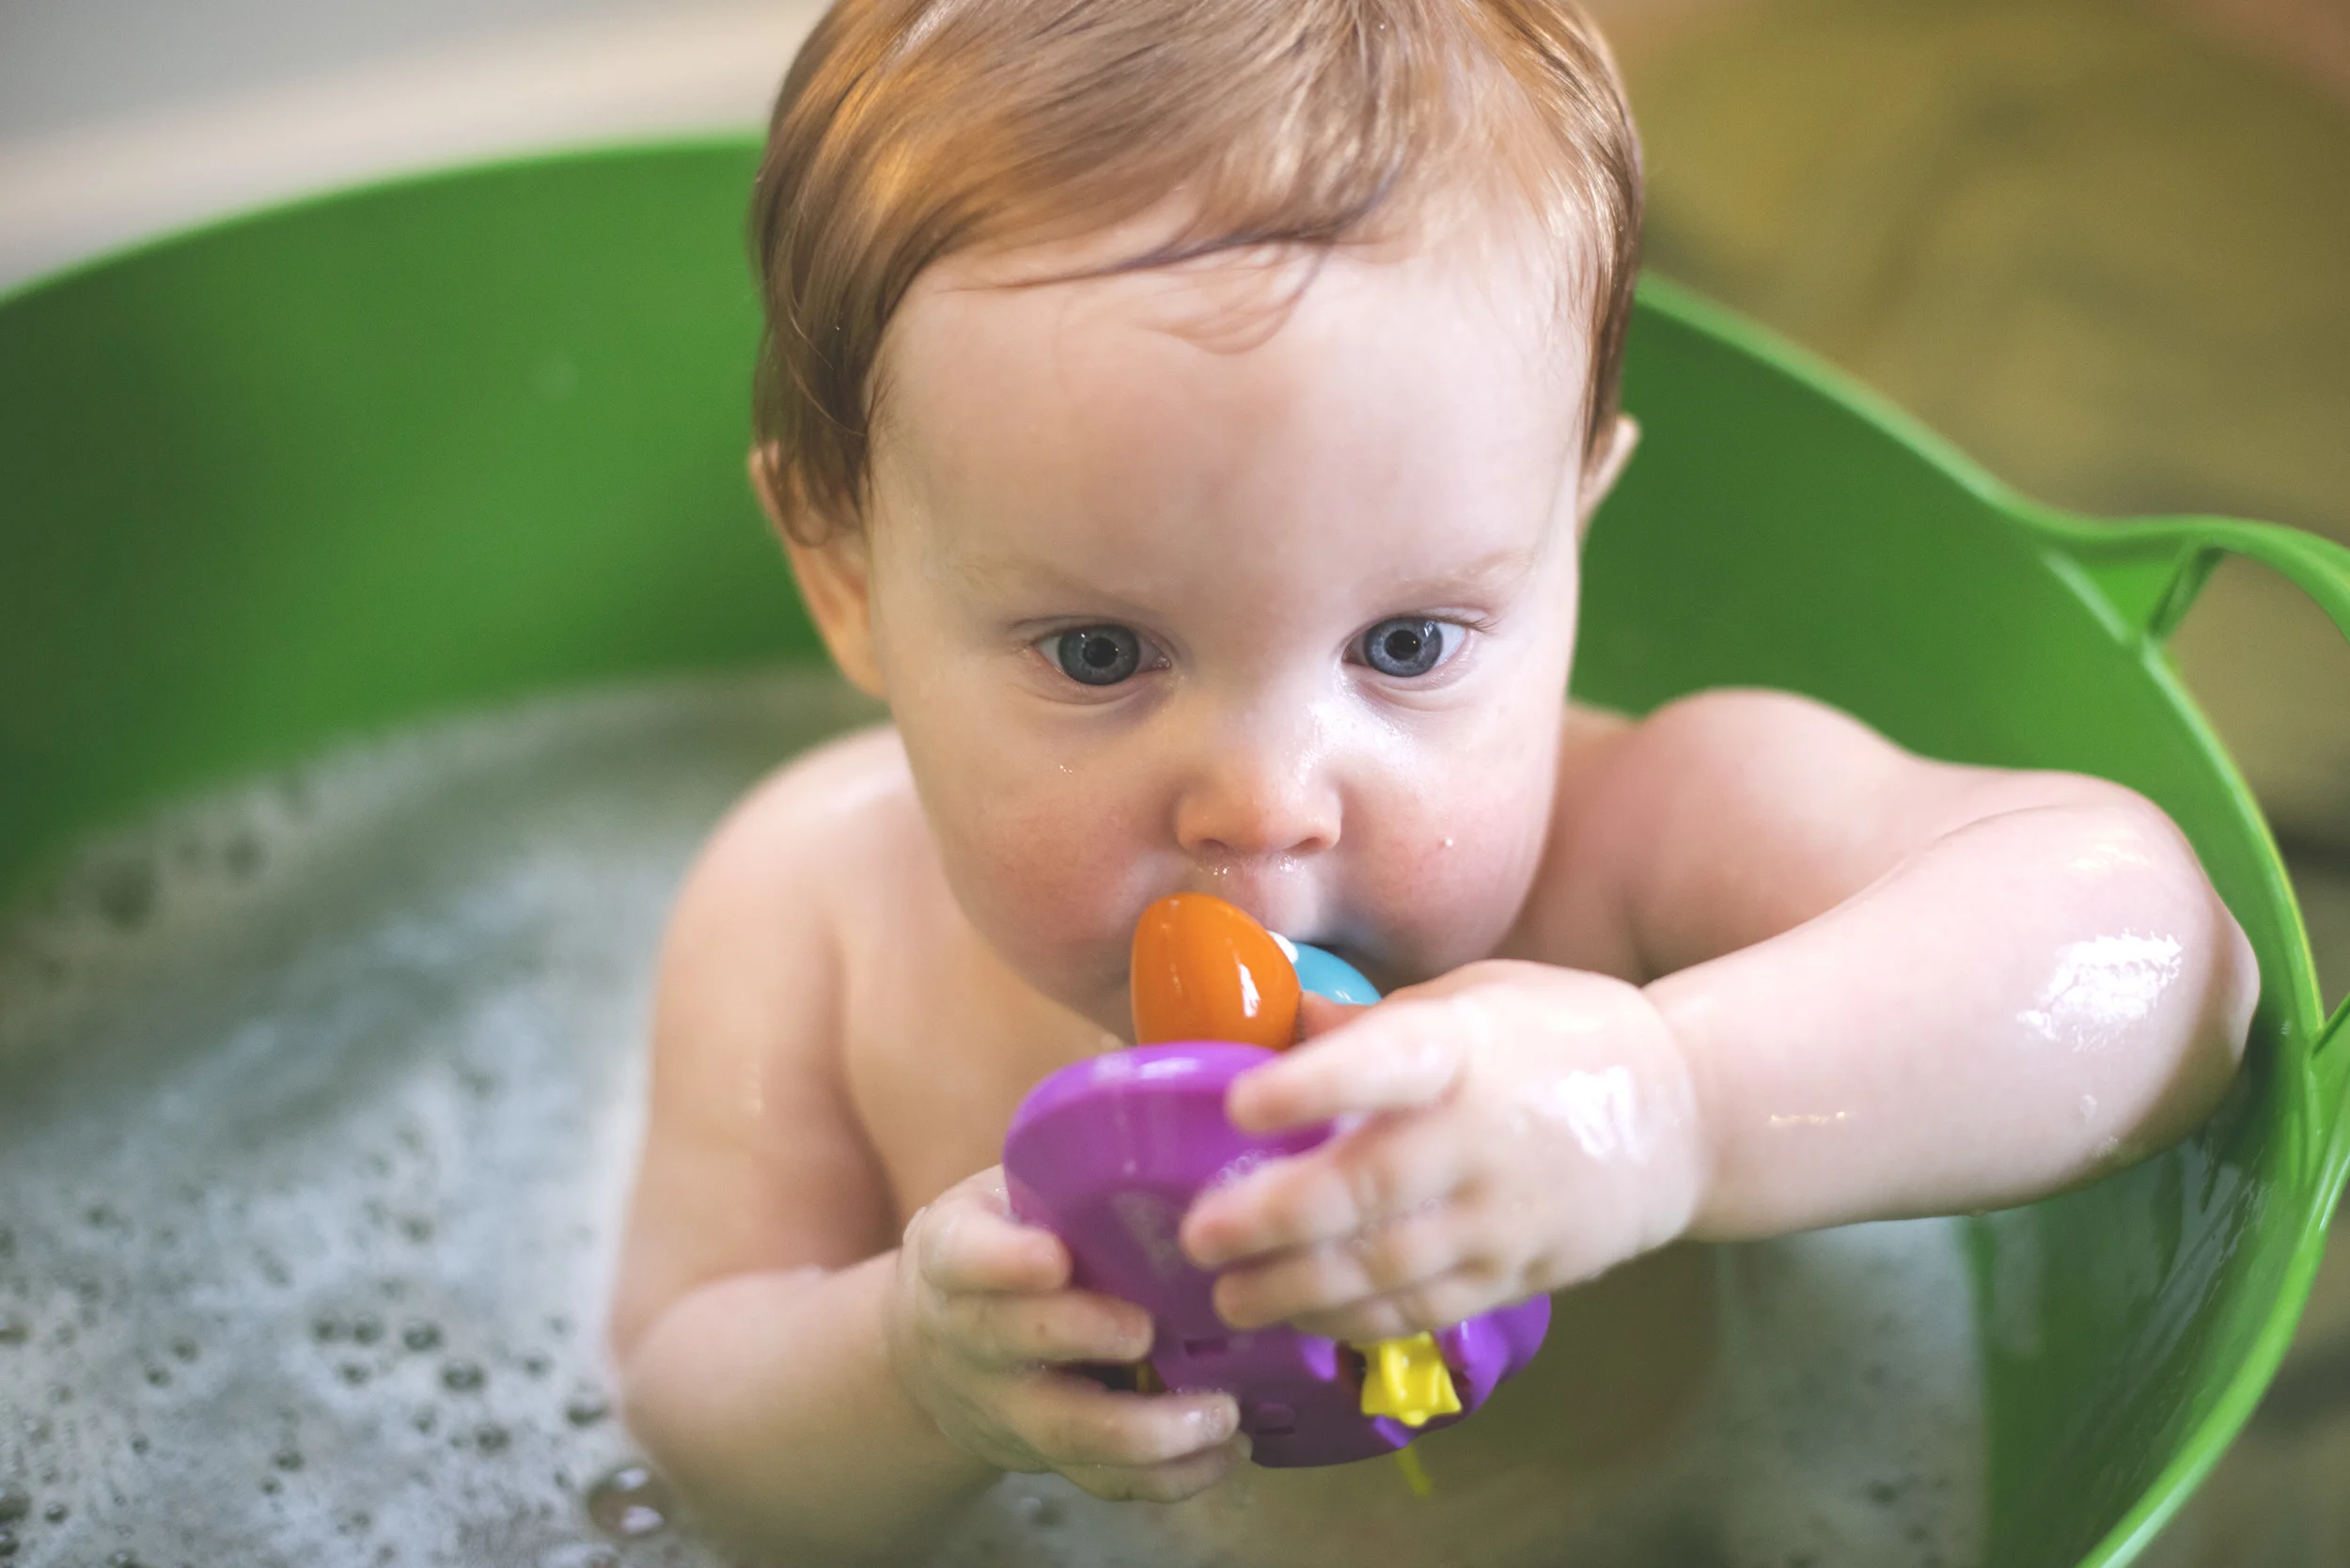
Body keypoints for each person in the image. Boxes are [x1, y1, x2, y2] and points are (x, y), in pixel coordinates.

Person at [606, 0, 2259, 1560]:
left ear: (1567, 535)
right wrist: (912, 1374)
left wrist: (1660, 1105)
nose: (1268, 804)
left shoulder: (1635, 850)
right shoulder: (810, 912)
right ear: (845, 582)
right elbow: (696, 1432)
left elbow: (2164, 958)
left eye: (1405, 644)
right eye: (1101, 654)